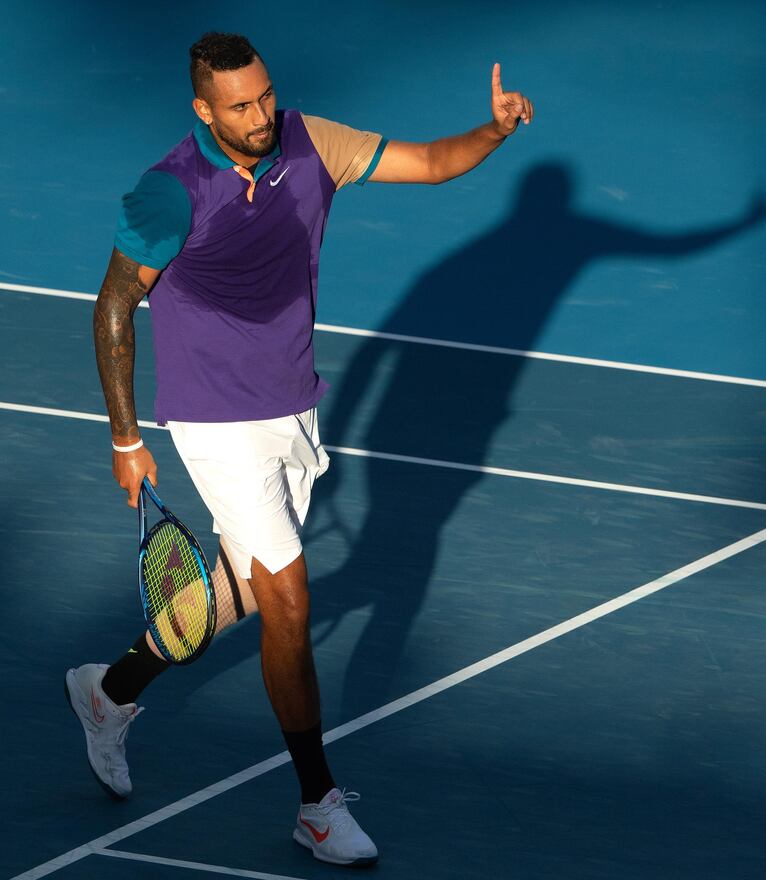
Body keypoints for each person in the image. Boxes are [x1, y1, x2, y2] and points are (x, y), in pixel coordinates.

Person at [65, 31, 532, 867]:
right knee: (288, 599)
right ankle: (317, 803)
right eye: (239, 105)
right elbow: (110, 309)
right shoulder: (172, 192)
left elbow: (427, 164)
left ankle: (109, 693)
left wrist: (491, 132)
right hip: (215, 421)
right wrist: (128, 438)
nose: (260, 115)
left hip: (292, 410)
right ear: (203, 110)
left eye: (266, 96)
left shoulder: (312, 144)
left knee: (240, 589)